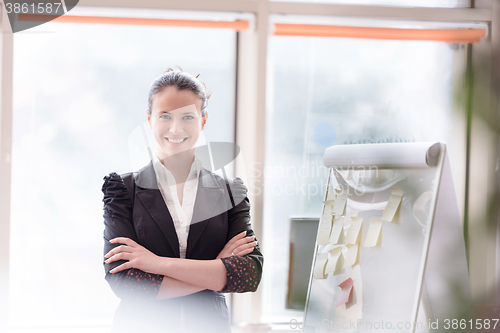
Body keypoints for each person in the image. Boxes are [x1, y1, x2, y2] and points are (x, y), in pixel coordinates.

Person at [101, 68, 263, 333]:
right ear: (149, 118)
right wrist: (215, 271)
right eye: (165, 116)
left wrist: (156, 263)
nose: (176, 129)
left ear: (203, 119)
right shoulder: (122, 190)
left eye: (188, 116)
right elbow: (125, 280)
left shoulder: (230, 192)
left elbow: (248, 274)